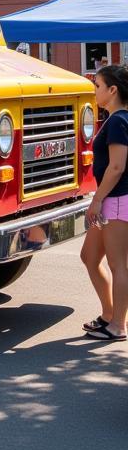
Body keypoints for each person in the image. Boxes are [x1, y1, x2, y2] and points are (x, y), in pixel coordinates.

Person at [84, 64, 128, 341]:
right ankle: (108, 314)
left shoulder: (118, 121)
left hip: (115, 201)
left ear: (112, 90)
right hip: (109, 200)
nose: (94, 91)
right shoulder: (115, 119)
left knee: (118, 265)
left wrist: (96, 201)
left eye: (97, 86)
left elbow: (116, 167)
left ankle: (118, 327)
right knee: (89, 257)